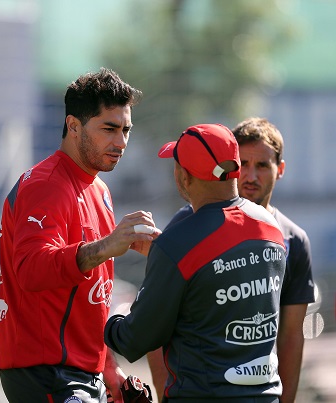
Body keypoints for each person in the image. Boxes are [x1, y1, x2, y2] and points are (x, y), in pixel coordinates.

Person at [0, 68, 159, 403]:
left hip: (82, 373)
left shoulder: (99, 190)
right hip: (44, 371)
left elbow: (92, 302)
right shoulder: (45, 184)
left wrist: (111, 374)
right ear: (73, 126)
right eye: (110, 129)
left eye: (126, 130)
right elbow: (30, 268)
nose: (121, 142)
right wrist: (108, 245)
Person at [105, 123, 287, 402]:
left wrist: (104, 315)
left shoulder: (178, 244)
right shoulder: (271, 227)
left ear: (184, 177)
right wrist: (167, 260)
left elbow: (133, 340)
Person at [146, 118, 315, 403]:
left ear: (280, 169)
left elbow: (290, 337)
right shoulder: (187, 225)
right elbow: (155, 324)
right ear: (230, 165)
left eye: (262, 165)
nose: (250, 176)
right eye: (243, 164)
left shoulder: (293, 240)